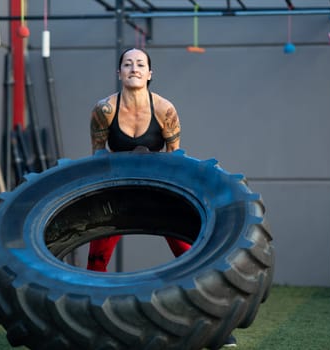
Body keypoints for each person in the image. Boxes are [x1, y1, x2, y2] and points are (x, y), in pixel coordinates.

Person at [87, 48, 237, 348]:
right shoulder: (104, 110)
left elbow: (175, 160)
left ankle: (218, 328)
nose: (134, 68)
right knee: (96, 261)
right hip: (118, 193)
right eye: (127, 64)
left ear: (150, 73)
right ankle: (90, 326)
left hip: (158, 190)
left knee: (191, 255)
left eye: (140, 64)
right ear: (119, 72)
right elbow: (98, 158)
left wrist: (173, 201)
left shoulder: (165, 110)